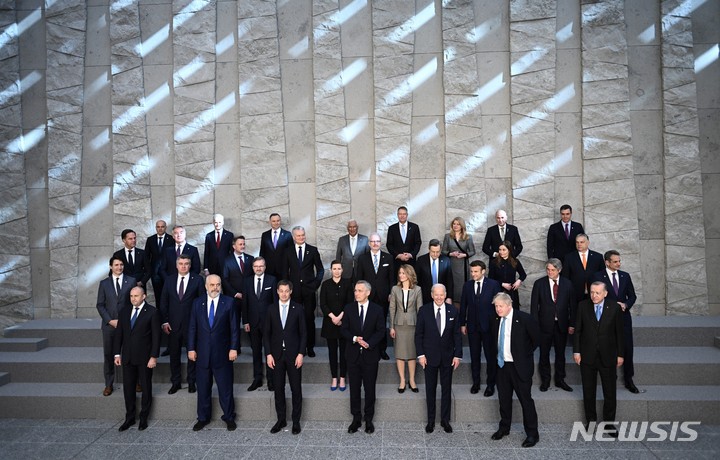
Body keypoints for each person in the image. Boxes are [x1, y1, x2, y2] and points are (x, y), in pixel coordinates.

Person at [187, 275, 239, 431]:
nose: (215, 288)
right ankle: (203, 418)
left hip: (222, 354)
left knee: (225, 388)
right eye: (212, 285)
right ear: (206, 286)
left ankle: (229, 417)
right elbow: (192, 328)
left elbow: (234, 328)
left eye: (218, 285)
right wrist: (190, 348)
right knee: (203, 388)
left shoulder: (229, 302)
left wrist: (233, 348)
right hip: (202, 354)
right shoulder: (197, 303)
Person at [573, 281, 624, 436]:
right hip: (587, 357)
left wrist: (620, 354)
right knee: (588, 391)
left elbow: (619, 334)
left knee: (610, 392)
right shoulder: (582, 306)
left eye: (597, 293)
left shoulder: (614, 308)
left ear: (605, 293)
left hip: (608, 356)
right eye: (592, 292)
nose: (594, 295)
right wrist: (577, 352)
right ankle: (591, 421)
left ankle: (609, 424)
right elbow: (578, 331)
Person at [490, 292, 541, 448]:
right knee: (504, 400)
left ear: (509, 305)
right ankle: (504, 428)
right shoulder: (495, 319)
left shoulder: (524, 319)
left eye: (500, 306)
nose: (498, 309)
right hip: (502, 366)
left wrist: (523, 355)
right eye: (496, 306)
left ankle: (532, 434)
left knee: (526, 401)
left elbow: (536, 340)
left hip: (520, 367)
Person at [415, 284, 462, 433]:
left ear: (445, 294)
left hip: (448, 357)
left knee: (446, 389)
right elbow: (419, 335)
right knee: (430, 389)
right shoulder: (424, 311)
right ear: (431, 295)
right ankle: (430, 421)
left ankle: (445, 420)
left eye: (442, 294)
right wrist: (421, 355)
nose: (439, 297)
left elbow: (456, 335)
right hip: (429, 357)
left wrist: (457, 355)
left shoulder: (453, 310)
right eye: (436, 294)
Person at [341, 281, 386, 434]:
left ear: (368, 292)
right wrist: (354, 338)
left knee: (369, 389)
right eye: (355, 290)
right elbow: (344, 330)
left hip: (370, 356)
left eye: (360, 291)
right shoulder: (348, 308)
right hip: (352, 356)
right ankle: (356, 419)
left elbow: (381, 331)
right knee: (354, 389)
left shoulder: (377, 310)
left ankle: (368, 419)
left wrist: (369, 343)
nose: (356, 293)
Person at [113, 287, 160, 431]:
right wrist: (117, 354)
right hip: (127, 357)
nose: (133, 298)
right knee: (128, 389)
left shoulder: (152, 312)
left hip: (145, 358)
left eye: (136, 296)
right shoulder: (125, 311)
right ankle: (130, 418)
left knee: (146, 387)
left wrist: (153, 356)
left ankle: (144, 418)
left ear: (144, 296)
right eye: (131, 296)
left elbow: (156, 337)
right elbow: (119, 334)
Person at [591, 250, 638, 393]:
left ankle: (629, 380)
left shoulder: (625, 276)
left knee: (627, 348)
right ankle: (612, 378)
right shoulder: (598, 276)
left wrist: (626, 304)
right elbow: (595, 297)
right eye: (615, 261)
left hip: (623, 318)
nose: (619, 263)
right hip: (606, 319)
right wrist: (612, 306)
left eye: (619, 261)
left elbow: (632, 296)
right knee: (609, 348)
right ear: (607, 262)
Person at [264, 280, 307, 435]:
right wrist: (268, 354)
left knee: (296, 389)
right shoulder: (271, 309)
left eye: (286, 291)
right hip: (276, 356)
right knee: (278, 389)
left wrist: (301, 353)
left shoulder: (298, 308)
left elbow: (303, 334)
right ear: (277, 291)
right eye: (281, 290)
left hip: (294, 355)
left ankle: (296, 421)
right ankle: (281, 419)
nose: (283, 293)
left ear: (291, 291)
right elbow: (266, 334)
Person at [160, 255, 205, 394]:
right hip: (173, 325)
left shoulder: (197, 280)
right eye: (181, 263)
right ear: (176, 265)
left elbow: (202, 303)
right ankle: (176, 382)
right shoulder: (169, 280)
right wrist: (165, 321)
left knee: (193, 354)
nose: (183, 266)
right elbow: (164, 302)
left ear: (190, 265)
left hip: (192, 325)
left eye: (186, 264)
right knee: (174, 355)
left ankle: (192, 381)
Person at [530, 258, 575, 392]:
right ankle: (545, 380)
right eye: (548, 269)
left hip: (561, 324)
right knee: (544, 354)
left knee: (560, 354)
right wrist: (535, 325)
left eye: (553, 270)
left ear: (559, 270)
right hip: (544, 326)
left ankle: (560, 380)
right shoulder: (539, 283)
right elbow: (534, 306)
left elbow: (572, 306)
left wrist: (572, 324)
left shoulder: (567, 284)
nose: (550, 272)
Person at [460, 260, 501, 396]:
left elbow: (498, 306)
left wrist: (497, 325)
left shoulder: (494, 285)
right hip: (472, 327)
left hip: (489, 328)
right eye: (471, 271)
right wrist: (462, 324)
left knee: (490, 357)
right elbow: (463, 306)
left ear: (483, 271)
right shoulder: (467, 285)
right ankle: (476, 383)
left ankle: (490, 385)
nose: (473, 274)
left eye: (476, 271)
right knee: (474, 356)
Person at [281, 226, 324, 357]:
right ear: (294, 237)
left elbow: (320, 270)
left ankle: (310, 347)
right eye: (298, 235)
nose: (301, 237)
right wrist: (288, 289)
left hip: (309, 291)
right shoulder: (288, 251)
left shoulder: (312, 250)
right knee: (294, 319)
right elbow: (284, 272)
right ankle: (298, 347)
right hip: (293, 292)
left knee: (309, 319)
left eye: (303, 235)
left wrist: (315, 285)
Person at [96, 256, 135, 396]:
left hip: (127, 325)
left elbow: (134, 303)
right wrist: (110, 320)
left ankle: (133, 382)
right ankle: (109, 384)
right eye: (116, 265)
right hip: (109, 326)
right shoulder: (104, 283)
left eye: (121, 264)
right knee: (108, 355)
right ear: (111, 266)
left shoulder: (131, 281)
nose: (119, 267)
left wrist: (126, 321)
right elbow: (100, 305)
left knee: (130, 353)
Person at [355, 232, 395, 361]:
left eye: (377, 241)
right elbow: (359, 278)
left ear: (381, 243)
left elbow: (392, 278)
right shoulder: (362, 258)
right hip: (368, 297)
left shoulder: (388, 258)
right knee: (367, 323)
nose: (375, 243)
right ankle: (369, 347)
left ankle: (382, 349)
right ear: (369, 243)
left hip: (383, 297)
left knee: (381, 323)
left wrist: (391, 293)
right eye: (372, 241)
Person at [242, 256, 277, 392]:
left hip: (269, 323)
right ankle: (257, 379)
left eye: (261, 266)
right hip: (253, 323)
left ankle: (271, 380)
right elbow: (245, 303)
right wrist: (245, 321)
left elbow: (275, 303)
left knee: (270, 351)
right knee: (256, 352)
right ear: (252, 267)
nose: (258, 268)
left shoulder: (272, 280)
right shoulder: (247, 281)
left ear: (265, 267)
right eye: (256, 266)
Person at [319, 261, 353, 391]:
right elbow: (323, 304)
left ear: (342, 270)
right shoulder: (326, 284)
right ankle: (334, 377)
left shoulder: (348, 284)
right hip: (330, 323)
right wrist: (333, 317)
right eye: (334, 268)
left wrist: (340, 318)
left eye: (339, 268)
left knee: (344, 352)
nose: (337, 271)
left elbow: (350, 303)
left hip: (344, 322)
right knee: (332, 352)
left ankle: (343, 377)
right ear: (331, 270)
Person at [388, 264, 423, 393]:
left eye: (403, 273)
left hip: (413, 324)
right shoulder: (395, 289)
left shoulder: (418, 289)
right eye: (400, 273)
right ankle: (402, 380)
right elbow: (392, 309)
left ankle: (412, 380)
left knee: (412, 354)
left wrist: (421, 328)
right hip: (398, 324)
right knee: (400, 353)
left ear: (409, 274)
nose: (401, 275)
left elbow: (420, 309)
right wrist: (391, 327)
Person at [222, 235, 254, 339]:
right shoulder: (227, 260)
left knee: (250, 322)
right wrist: (235, 293)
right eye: (240, 244)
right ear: (234, 246)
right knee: (234, 323)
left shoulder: (251, 259)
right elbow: (225, 279)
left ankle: (254, 347)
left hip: (248, 297)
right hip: (233, 297)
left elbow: (253, 278)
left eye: (244, 244)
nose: (243, 246)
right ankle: (236, 347)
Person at [563, 233, 604, 307]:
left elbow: (603, 276)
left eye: (582, 242)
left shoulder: (598, 257)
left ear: (588, 243)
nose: (579, 244)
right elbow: (565, 276)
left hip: (594, 293)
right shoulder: (569, 257)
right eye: (577, 242)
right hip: (575, 294)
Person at [442, 216, 476, 304]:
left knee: (461, 285)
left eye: (458, 224)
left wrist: (464, 255)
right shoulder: (448, 236)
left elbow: (472, 251)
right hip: (451, 264)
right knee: (451, 283)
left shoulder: (468, 237)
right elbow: (443, 251)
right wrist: (451, 254)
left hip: (462, 265)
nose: (456, 226)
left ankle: (462, 303)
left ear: (462, 226)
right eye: (454, 224)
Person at [488, 241, 526, 309]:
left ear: (509, 250)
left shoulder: (515, 261)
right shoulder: (494, 262)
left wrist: (519, 281)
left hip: (512, 292)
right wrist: (502, 284)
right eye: (500, 250)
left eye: (504, 250)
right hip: (498, 291)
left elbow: (523, 274)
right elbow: (490, 279)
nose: (501, 252)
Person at [416, 239, 454, 305]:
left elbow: (449, 280)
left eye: (438, 252)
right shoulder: (421, 260)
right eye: (433, 251)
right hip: (425, 296)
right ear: (429, 249)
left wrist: (449, 297)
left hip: (441, 296)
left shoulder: (446, 260)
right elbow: (417, 279)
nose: (435, 254)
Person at [144, 219, 174, 303]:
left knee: (169, 296)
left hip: (168, 272)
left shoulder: (171, 239)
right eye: (158, 227)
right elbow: (146, 256)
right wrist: (149, 271)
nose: (160, 229)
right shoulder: (150, 239)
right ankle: (159, 315)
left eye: (162, 227)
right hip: (155, 273)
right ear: (155, 228)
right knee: (158, 296)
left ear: (165, 228)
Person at [259, 213, 292, 278]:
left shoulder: (287, 235)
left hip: (283, 269)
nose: (276, 223)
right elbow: (262, 252)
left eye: (278, 220)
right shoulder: (265, 235)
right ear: (270, 222)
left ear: (280, 221)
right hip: (269, 270)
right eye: (273, 221)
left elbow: (291, 253)